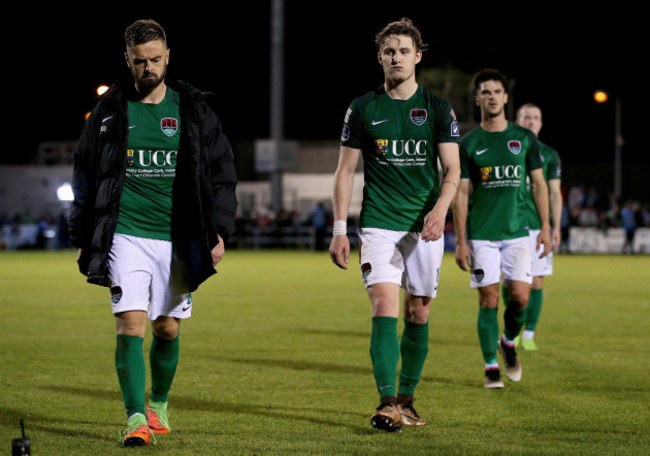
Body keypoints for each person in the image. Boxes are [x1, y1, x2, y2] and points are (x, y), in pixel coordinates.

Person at [68, 19, 237, 447]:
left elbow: (222, 172)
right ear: (127, 59)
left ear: (168, 56)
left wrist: (218, 231)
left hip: (178, 236)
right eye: (140, 61)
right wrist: (83, 234)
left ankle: (159, 404)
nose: (148, 68)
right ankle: (135, 418)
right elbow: (85, 173)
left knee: (167, 329)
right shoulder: (109, 112)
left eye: (155, 59)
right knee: (131, 324)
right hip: (125, 234)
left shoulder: (192, 110)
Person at [329, 18, 460, 431]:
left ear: (418, 56)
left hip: (424, 227)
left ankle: (407, 401)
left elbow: (452, 170)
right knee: (384, 306)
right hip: (379, 224)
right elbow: (345, 172)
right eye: (389, 51)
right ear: (380, 57)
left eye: (404, 50)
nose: (396, 57)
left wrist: (440, 211)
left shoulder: (438, 109)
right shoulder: (363, 107)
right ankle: (387, 403)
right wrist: (338, 229)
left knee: (418, 312)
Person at [453, 69, 550, 389]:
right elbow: (462, 193)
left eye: (497, 91)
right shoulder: (469, 143)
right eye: (486, 92)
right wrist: (461, 240)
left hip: (518, 232)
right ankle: (491, 366)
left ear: (505, 97)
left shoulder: (524, 139)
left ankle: (508, 342)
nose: (492, 96)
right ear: (477, 99)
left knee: (520, 298)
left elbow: (539, 185)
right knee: (488, 300)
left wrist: (546, 227)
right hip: (481, 235)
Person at [512, 103, 563, 350]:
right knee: (511, 283)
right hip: (510, 225)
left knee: (537, 281)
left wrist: (556, 226)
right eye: (526, 117)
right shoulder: (506, 148)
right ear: (517, 120)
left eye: (535, 118)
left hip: (538, 227)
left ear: (541, 123)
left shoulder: (549, 155)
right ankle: (512, 328)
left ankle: (529, 333)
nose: (531, 122)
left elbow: (554, 193)